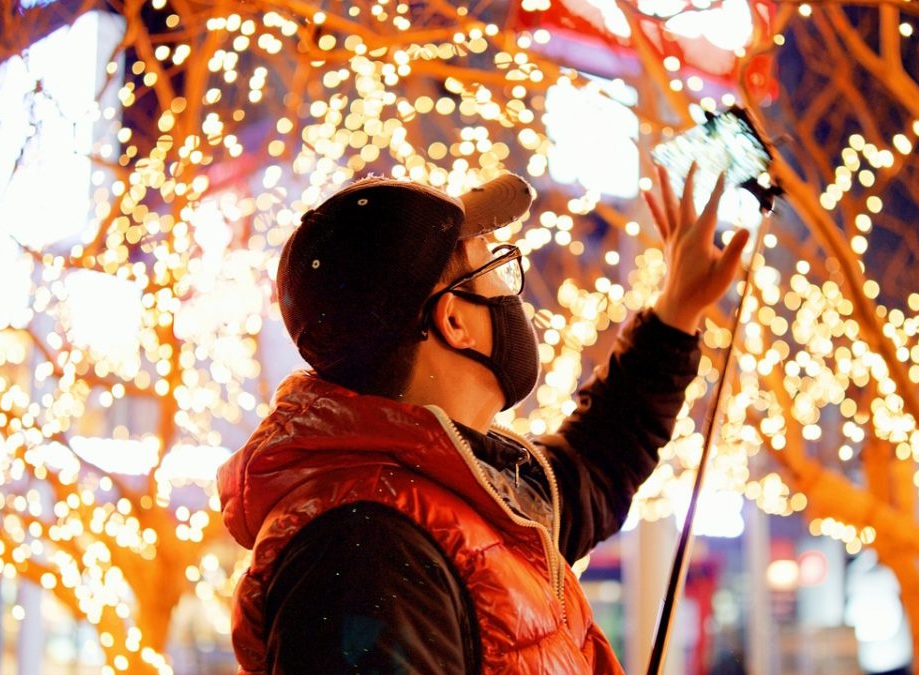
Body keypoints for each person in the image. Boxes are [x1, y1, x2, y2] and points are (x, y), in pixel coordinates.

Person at [218, 162, 750, 674]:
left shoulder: (467, 493)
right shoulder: (365, 554)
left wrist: (677, 311)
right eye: (496, 267)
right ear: (453, 320)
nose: (516, 296)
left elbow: (593, 466)